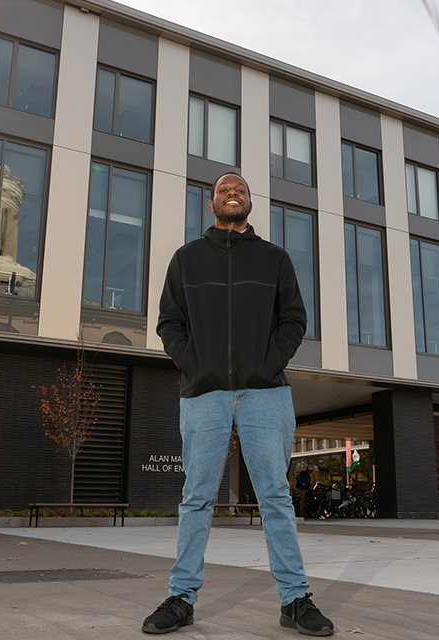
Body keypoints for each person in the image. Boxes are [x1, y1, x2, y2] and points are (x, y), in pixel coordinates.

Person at [142, 172, 334, 636]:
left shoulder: (274, 259)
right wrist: (195, 366)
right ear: (211, 205)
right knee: (196, 497)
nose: (233, 193)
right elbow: (169, 322)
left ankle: (294, 599)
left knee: (274, 497)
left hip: (265, 393)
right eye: (225, 190)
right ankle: (181, 597)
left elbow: (294, 318)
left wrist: (269, 363)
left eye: (241, 190)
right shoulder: (186, 260)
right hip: (204, 394)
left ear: (249, 203)